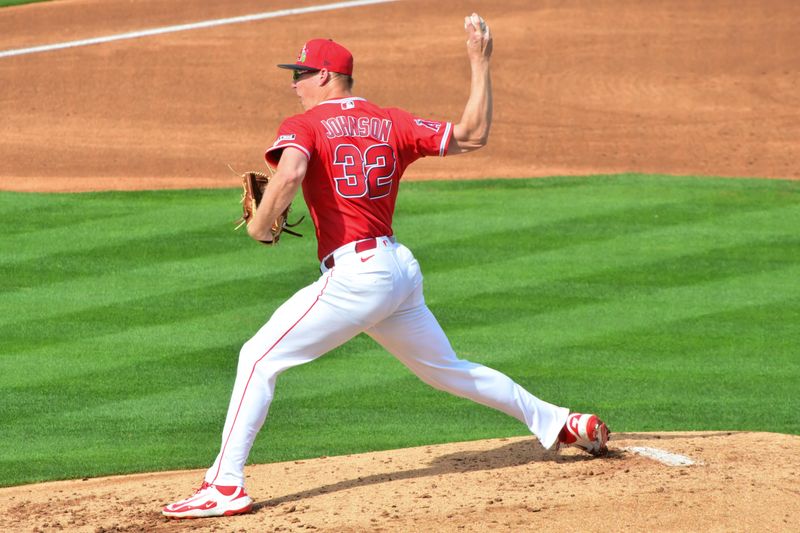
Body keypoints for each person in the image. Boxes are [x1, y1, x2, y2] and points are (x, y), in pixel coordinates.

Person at [162, 13, 609, 519]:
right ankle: (561, 422)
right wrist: (480, 63)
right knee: (449, 371)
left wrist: (261, 225)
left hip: (358, 277)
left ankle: (224, 485)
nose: (294, 85)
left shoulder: (305, 125)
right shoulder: (391, 120)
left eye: (301, 74)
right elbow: (472, 135)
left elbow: (290, 171)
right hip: (397, 271)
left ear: (327, 76)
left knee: (259, 358)